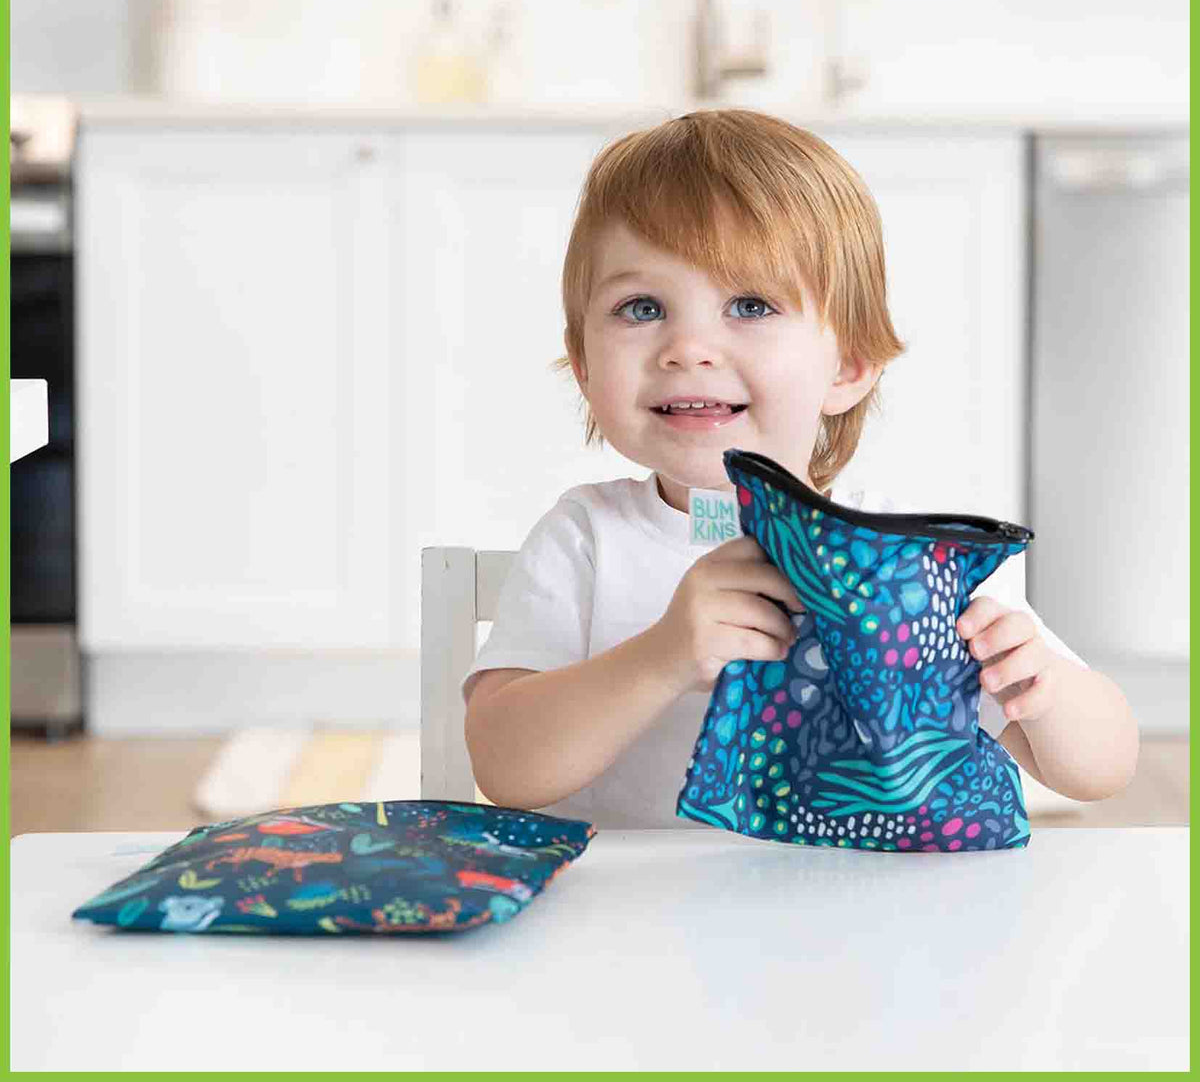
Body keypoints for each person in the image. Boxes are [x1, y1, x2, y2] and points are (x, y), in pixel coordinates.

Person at [462, 109, 1138, 829]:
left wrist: (1043, 686)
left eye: (749, 304)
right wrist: (660, 658)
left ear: (847, 364)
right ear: (586, 360)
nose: (688, 347)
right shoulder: (585, 539)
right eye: (641, 307)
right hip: (626, 929)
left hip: (852, 924)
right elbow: (505, 769)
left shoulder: (908, 556)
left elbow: (1104, 770)